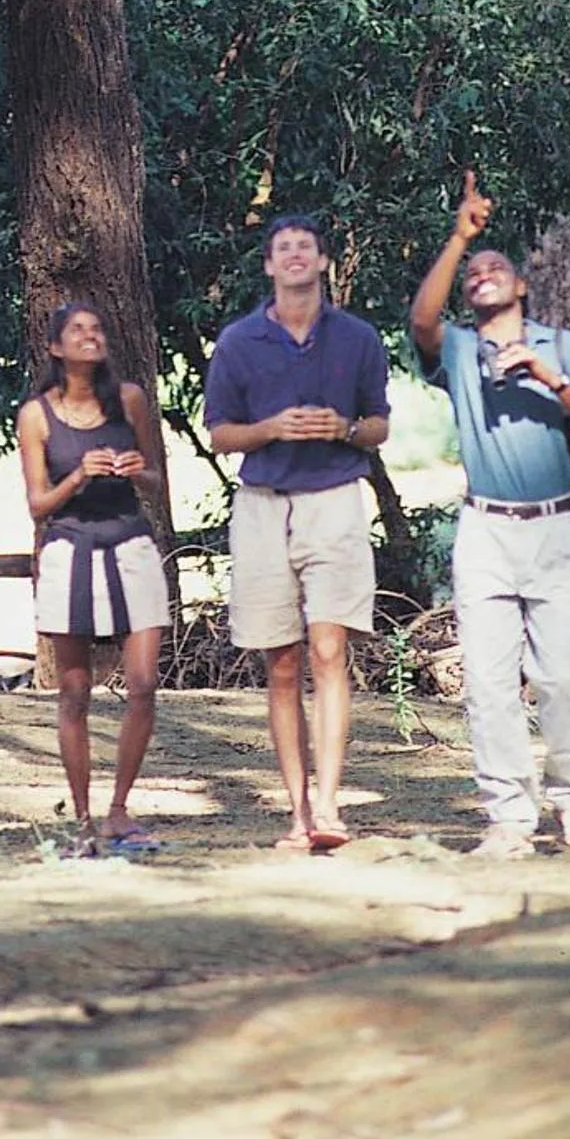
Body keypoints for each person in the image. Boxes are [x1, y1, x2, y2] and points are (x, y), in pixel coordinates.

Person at [409, 172, 570, 857]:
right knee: (488, 678)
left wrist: (546, 378)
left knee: (560, 672)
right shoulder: (462, 351)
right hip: (484, 529)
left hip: (555, 525)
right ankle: (507, 815)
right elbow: (420, 321)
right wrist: (459, 237)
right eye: (473, 274)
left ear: (522, 287)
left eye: (496, 267)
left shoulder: (562, 347)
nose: (482, 275)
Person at [204, 215, 390, 852]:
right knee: (280, 663)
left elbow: (378, 426)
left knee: (330, 651)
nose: (293, 257)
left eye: (304, 248)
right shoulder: (238, 342)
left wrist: (342, 427)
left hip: (335, 501)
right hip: (262, 505)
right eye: (282, 249)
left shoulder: (358, 339)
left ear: (321, 262)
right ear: (268, 266)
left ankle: (332, 806)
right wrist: (273, 428)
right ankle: (298, 813)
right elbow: (221, 434)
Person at [16, 300, 169, 854]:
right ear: (56, 347)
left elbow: (154, 479)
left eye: (97, 328)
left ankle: (119, 809)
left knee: (144, 684)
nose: (91, 336)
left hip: (130, 543)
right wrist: (79, 474)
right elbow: (38, 505)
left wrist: (136, 470)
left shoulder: (128, 400)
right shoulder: (37, 414)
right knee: (75, 690)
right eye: (77, 330)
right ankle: (81, 819)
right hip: (69, 548)